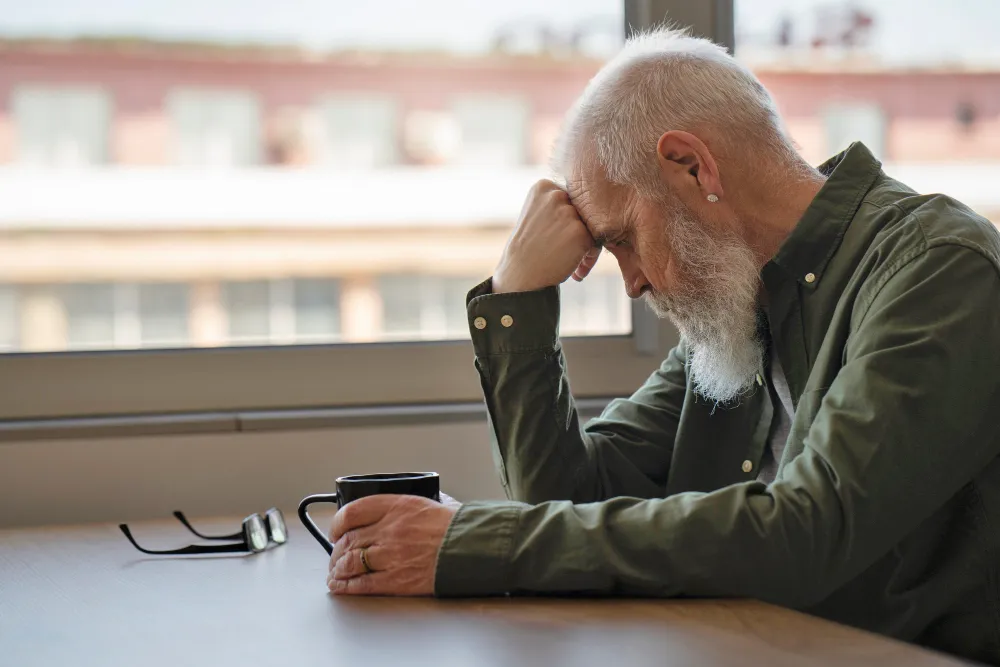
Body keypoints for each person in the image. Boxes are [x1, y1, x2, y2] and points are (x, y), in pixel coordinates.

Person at [325, 27, 1000, 664]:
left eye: (620, 238)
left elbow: (808, 531)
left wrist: (471, 542)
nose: (634, 281)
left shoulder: (938, 268)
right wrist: (517, 299)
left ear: (691, 167)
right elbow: (562, 501)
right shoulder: (739, 313)